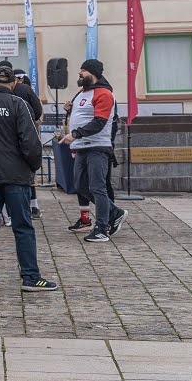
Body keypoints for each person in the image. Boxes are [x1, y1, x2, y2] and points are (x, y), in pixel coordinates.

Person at [0, 64, 57, 293]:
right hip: (16, 176)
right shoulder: (18, 104)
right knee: (23, 226)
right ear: (13, 83)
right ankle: (30, 277)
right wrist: (32, 167)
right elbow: (30, 142)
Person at [60, 58, 123, 243]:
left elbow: (99, 122)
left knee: (97, 187)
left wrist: (76, 134)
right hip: (81, 147)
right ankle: (115, 213)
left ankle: (102, 228)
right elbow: (82, 114)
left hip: (97, 147)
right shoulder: (82, 93)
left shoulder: (104, 93)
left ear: (93, 73)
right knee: (80, 186)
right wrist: (69, 109)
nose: (80, 73)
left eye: (83, 71)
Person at [9, 67, 45, 217]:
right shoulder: (28, 91)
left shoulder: (17, 91)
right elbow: (38, 112)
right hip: (29, 136)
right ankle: (33, 206)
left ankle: (16, 208)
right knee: (29, 171)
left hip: (11, 137)